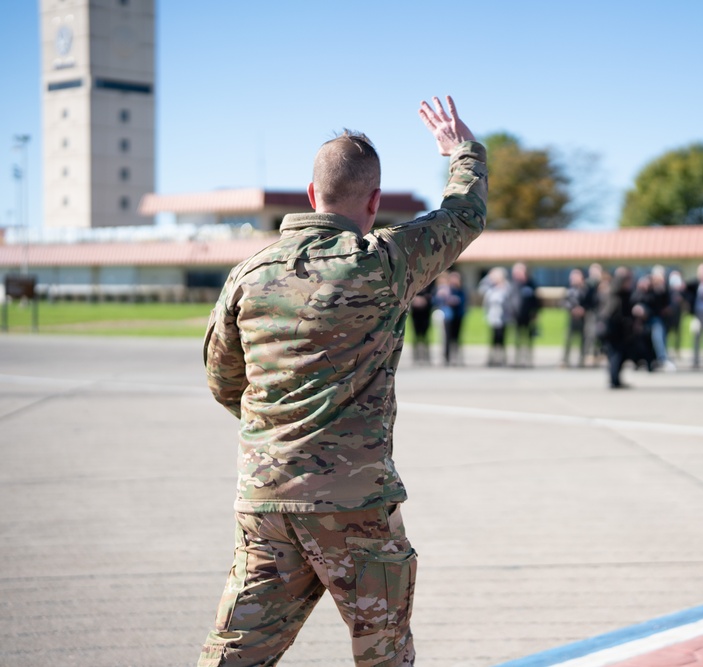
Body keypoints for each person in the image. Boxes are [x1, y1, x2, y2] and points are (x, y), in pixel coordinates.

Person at [199, 96, 486, 667]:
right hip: (354, 507)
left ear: (311, 195)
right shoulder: (383, 261)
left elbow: (223, 379)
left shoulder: (249, 275)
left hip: (267, 498)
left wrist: (282, 426)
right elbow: (463, 215)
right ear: (375, 201)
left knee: (235, 654)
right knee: (383, 654)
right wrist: (462, 151)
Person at [482, 266, 514, 367]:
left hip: (504, 318)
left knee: (502, 339)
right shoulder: (491, 289)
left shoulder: (507, 288)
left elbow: (510, 304)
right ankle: (492, 359)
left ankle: (502, 359)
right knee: (493, 339)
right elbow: (485, 302)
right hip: (493, 318)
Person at [510, 262, 541, 367]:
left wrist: (536, 313)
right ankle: (517, 360)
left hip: (529, 317)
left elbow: (536, 301)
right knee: (517, 339)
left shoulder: (531, 284)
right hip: (517, 317)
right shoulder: (514, 285)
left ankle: (528, 360)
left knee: (529, 339)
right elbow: (510, 301)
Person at [562, 268, 588, 367]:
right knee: (568, 339)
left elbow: (590, 301)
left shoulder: (585, 289)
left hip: (583, 318)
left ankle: (582, 359)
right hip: (572, 318)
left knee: (583, 339)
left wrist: (583, 309)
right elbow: (564, 302)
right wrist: (572, 309)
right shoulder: (569, 289)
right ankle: (565, 359)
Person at [408, 283, 433, 365]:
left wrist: (425, 300)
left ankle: (426, 356)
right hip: (415, 316)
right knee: (416, 337)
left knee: (425, 337)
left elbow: (432, 300)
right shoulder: (413, 289)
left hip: (426, 316)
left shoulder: (429, 288)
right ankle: (416, 357)